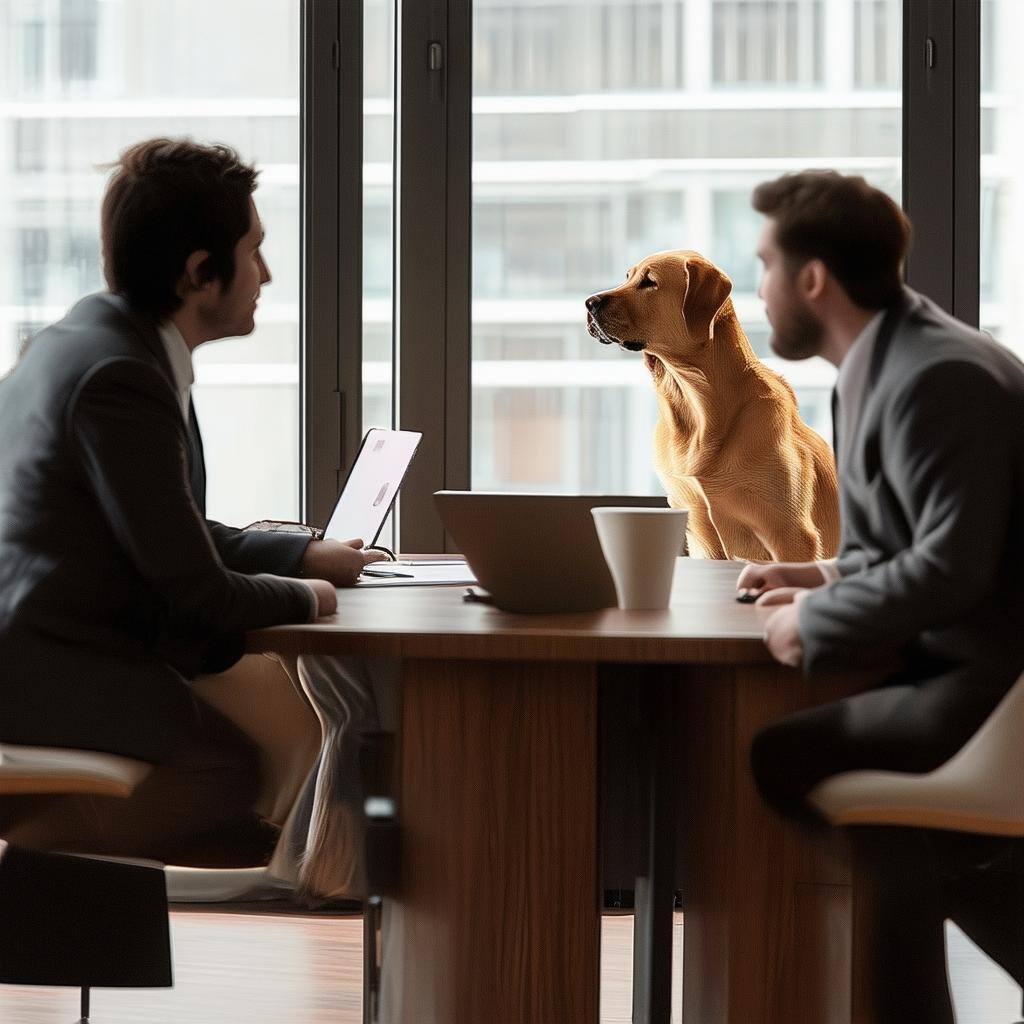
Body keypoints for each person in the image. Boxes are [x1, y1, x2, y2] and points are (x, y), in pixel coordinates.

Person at [0, 137, 385, 866]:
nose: (267, 274)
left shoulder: (96, 339)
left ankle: (64, 891)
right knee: (229, 775)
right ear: (200, 274)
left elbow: (159, 529)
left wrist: (300, 552)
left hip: (49, 646)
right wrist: (312, 599)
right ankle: (36, 878)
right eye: (254, 252)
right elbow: (191, 587)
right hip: (46, 667)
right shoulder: (122, 373)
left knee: (256, 782)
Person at [736, 170, 1024, 1023]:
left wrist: (814, 621)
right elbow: (911, 545)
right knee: (900, 835)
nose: (760, 290)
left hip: (995, 689)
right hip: (963, 663)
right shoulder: (881, 359)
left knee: (775, 756)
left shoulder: (939, 376)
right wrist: (819, 576)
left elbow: (952, 569)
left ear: (813, 279)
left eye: (764, 267)